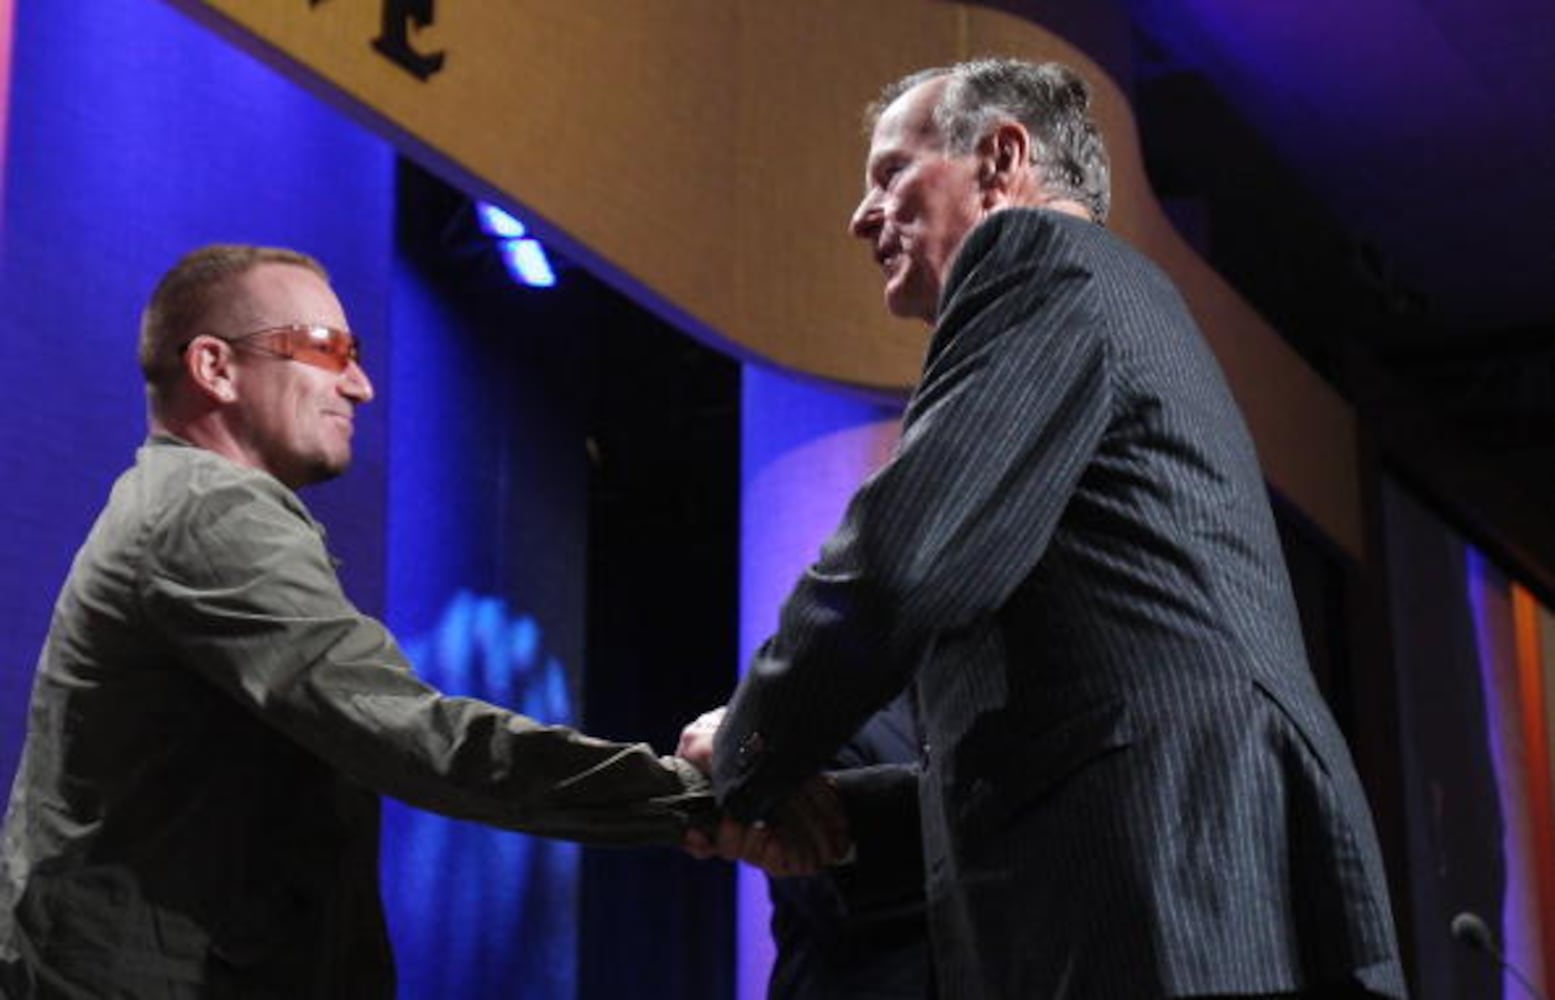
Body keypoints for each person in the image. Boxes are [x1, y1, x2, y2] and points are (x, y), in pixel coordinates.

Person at [707, 59, 1406, 999]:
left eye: (889, 174)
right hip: (1189, 866)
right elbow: (1067, 715)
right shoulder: (1113, 300)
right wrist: (839, 815)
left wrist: (751, 748)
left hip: (1161, 879)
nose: (861, 215)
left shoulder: (1034, 259)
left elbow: (900, 566)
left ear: (1000, 159)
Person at [0, 244, 722, 998]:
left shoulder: (184, 506)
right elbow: (411, 736)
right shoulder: (209, 513)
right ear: (215, 368)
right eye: (326, 348)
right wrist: (685, 796)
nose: (362, 385)